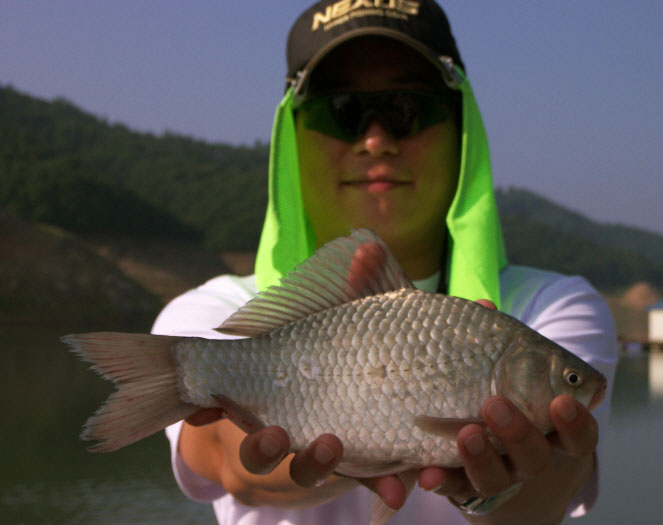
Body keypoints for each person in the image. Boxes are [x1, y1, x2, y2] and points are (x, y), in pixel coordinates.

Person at [152, 1, 618, 523]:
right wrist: (358, 446)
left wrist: (495, 487)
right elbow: (226, 460)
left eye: (407, 108)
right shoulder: (210, 312)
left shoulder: (553, 307)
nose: (376, 141)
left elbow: (554, 488)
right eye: (341, 110)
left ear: (461, 127)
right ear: (293, 135)